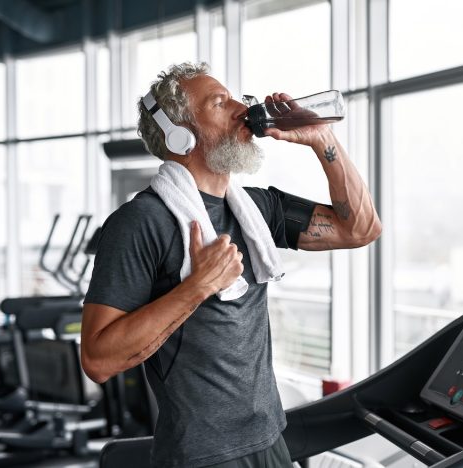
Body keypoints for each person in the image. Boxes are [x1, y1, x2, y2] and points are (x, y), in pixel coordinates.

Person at [80, 62, 381, 468]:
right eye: (220, 103)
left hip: (271, 439)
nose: (242, 108)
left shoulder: (255, 209)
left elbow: (360, 228)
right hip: (202, 457)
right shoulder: (140, 222)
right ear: (179, 134)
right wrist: (197, 287)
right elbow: (98, 360)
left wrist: (321, 139)